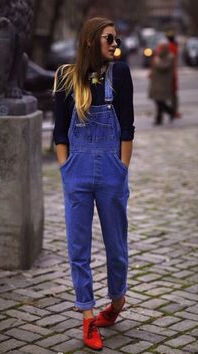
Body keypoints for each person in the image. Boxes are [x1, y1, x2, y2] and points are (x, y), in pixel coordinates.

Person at [53, 17, 134, 351]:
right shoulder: (66, 77)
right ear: (90, 41)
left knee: (116, 247)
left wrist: (121, 168)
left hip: (111, 174)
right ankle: (87, 316)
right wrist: (66, 169)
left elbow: (127, 127)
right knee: (78, 249)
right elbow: (60, 132)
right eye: (108, 38)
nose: (114, 43)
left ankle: (116, 303)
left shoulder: (121, 73)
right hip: (78, 174)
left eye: (116, 37)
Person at [148, 39, 174, 125]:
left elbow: (164, 67)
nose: (158, 48)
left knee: (160, 102)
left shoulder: (169, 57)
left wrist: (157, 61)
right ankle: (166, 115)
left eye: (160, 47)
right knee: (158, 101)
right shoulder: (158, 56)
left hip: (163, 84)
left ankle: (167, 114)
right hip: (156, 83)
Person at [166, 30, 181, 118]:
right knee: (173, 94)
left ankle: (173, 111)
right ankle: (173, 111)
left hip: (171, 74)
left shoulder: (170, 47)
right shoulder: (174, 46)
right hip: (173, 73)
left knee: (171, 94)